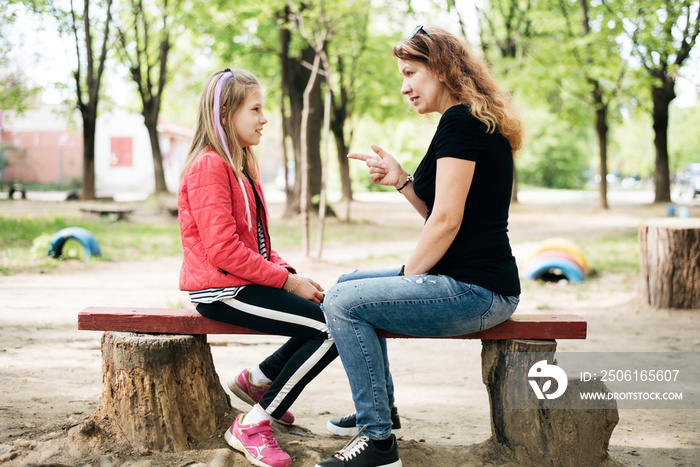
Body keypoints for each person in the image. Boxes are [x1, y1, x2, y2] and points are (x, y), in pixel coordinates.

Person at [316, 26, 523, 467]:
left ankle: (378, 441)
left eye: (411, 72)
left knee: (343, 302)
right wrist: (402, 180)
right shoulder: (466, 119)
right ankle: (382, 408)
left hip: (477, 289)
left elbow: (447, 221)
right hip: (471, 282)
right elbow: (442, 213)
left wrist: (410, 277)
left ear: (443, 69)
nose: (404, 86)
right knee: (345, 285)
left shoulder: (461, 122)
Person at [178, 68, 338, 467]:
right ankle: (254, 422)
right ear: (225, 113)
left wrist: (292, 276)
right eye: (255, 109)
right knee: (329, 332)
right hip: (221, 291)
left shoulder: (242, 166)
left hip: (241, 282)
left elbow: (259, 244)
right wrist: (285, 282)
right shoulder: (209, 167)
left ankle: (260, 379)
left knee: (329, 317)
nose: (264, 118)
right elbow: (224, 251)